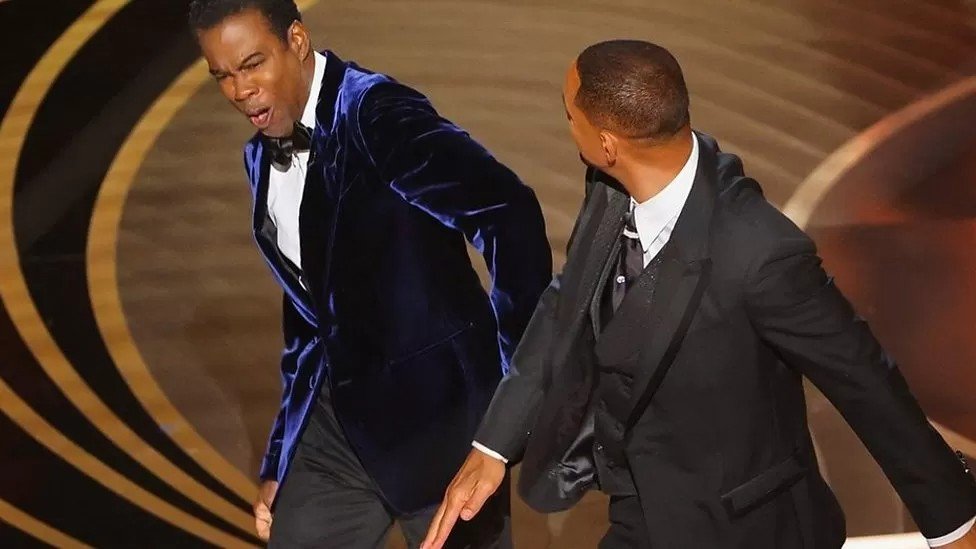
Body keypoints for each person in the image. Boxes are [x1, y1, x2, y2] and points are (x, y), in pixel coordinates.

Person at [424, 40, 976, 549]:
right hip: (640, 515)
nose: (568, 124)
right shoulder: (610, 187)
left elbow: (866, 382)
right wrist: (493, 447)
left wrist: (954, 525)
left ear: (607, 144)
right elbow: (568, 300)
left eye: (570, 115)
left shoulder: (761, 254)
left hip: (747, 529)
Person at [188, 1, 552, 546]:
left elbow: (509, 213)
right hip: (339, 430)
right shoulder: (260, 157)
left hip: (443, 428)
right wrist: (282, 457)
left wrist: (510, 399)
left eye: (253, 64)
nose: (240, 90)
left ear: (297, 40)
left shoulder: (376, 115)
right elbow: (311, 308)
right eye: (223, 75)